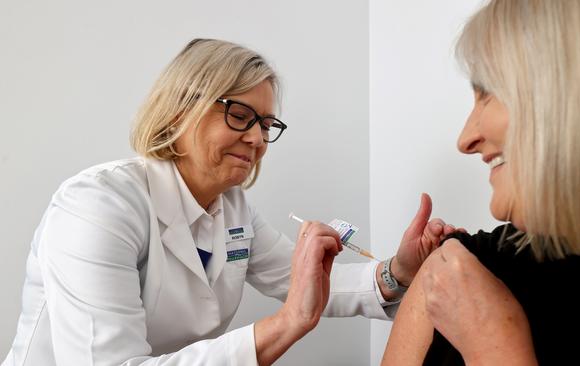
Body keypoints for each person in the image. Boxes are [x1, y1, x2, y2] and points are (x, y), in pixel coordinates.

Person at [2, 38, 458, 366]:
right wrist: (285, 325)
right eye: (239, 115)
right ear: (179, 109)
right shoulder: (99, 207)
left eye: (266, 123)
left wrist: (398, 270)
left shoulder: (233, 211)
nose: (258, 138)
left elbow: (308, 282)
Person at [382, 0, 580, 365]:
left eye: (488, 91)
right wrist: (395, 273)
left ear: (579, 91)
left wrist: (493, 345)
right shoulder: (461, 269)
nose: (465, 139)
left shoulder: (457, 279)